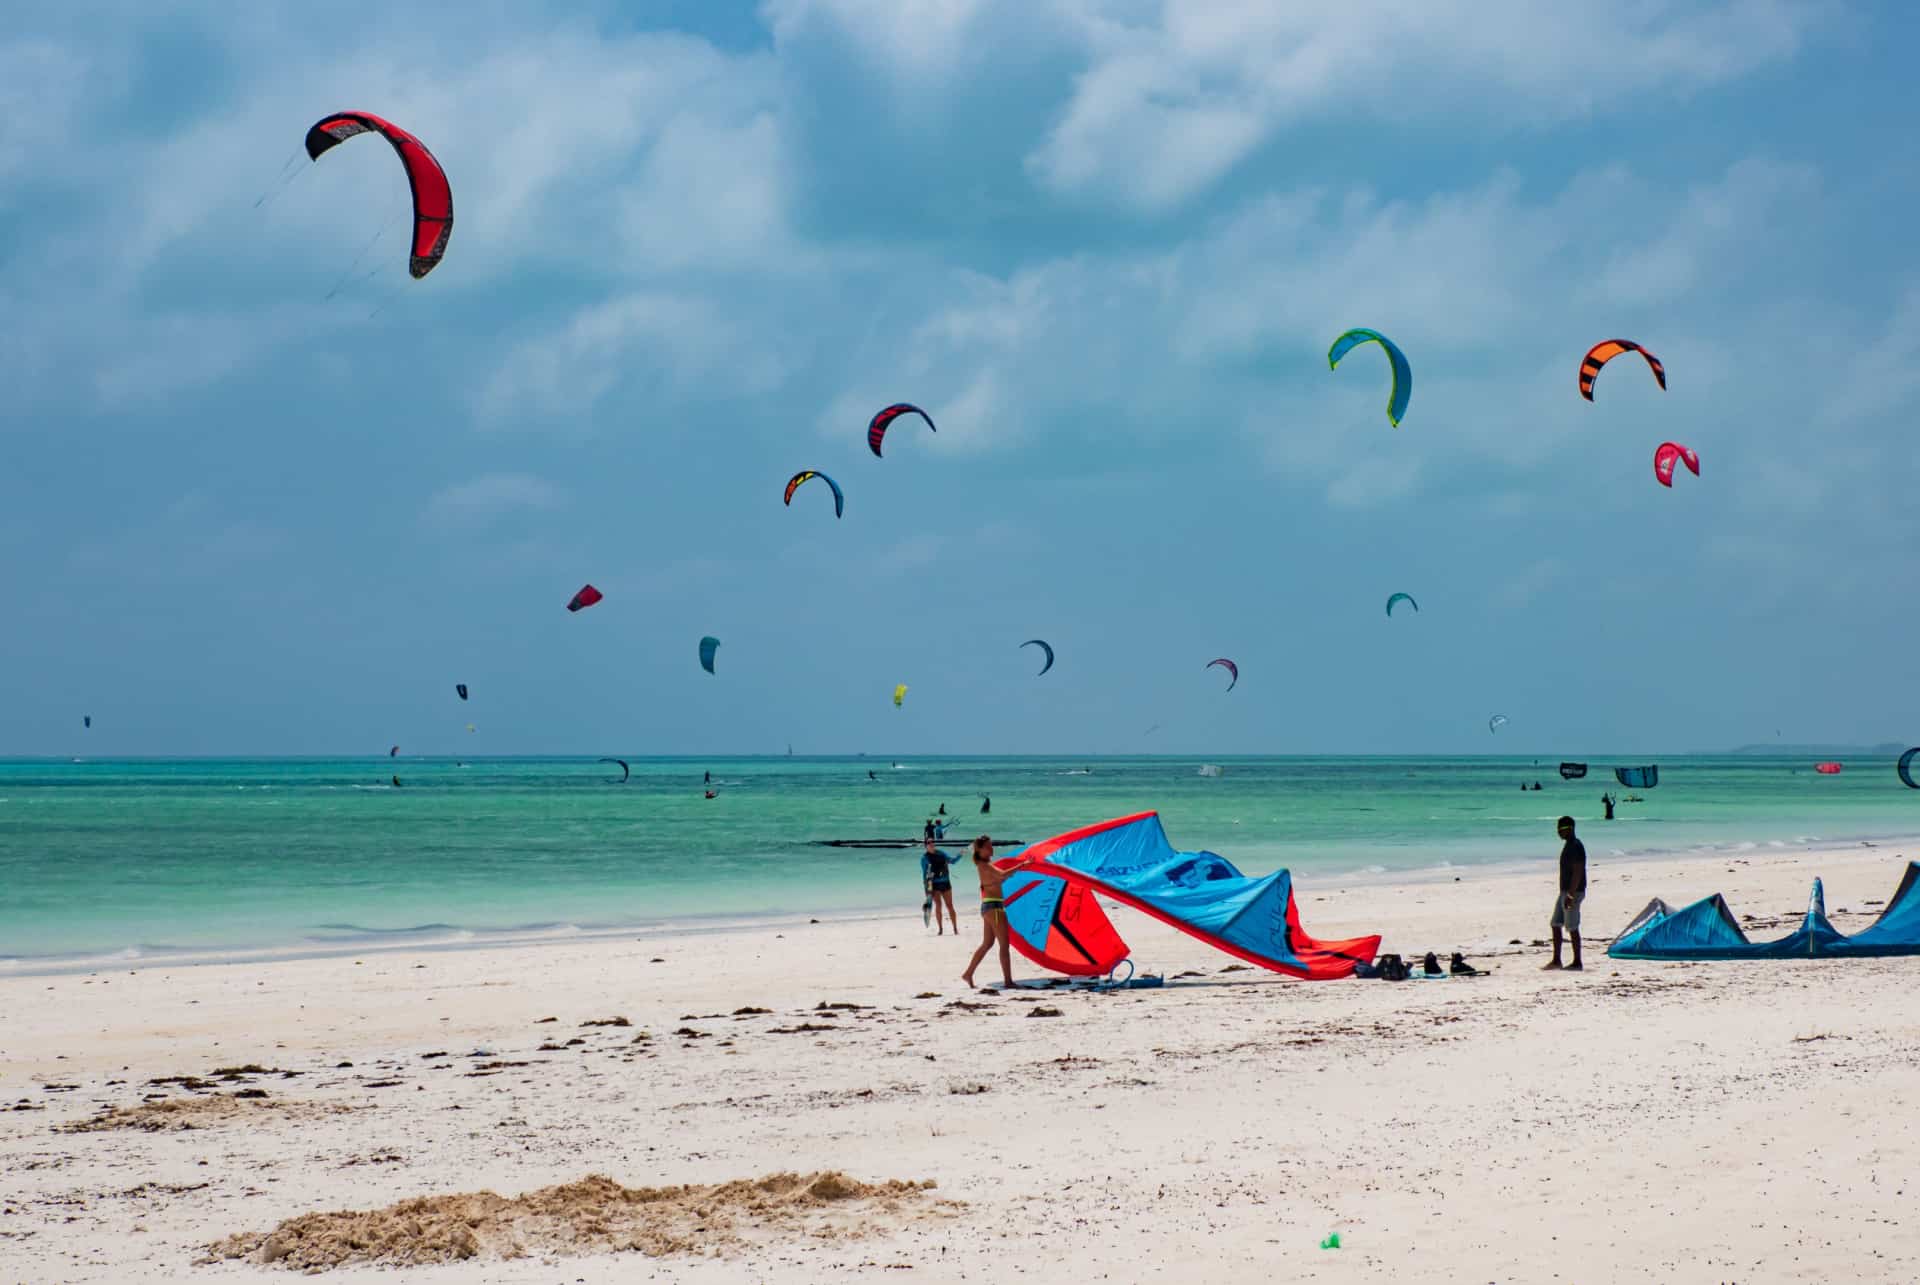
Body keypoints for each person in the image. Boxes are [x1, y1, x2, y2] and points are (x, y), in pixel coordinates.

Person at [961, 836, 1015, 989]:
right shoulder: (984, 865)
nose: (992, 849)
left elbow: (999, 880)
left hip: (989, 906)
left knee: (987, 943)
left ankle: (968, 973)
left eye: (992, 845)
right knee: (1004, 945)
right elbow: (1003, 875)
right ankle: (1008, 981)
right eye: (988, 846)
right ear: (979, 850)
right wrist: (1022, 865)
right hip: (994, 908)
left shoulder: (985, 865)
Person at [1545, 815, 1587, 971]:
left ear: (1570, 829)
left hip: (1573, 892)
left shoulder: (1575, 846)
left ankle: (1577, 962)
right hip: (1564, 891)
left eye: (1561, 829)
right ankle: (1556, 960)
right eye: (1557, 829)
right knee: (1556, 924)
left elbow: (1578, 871)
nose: (1558, 832)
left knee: (1572, 927)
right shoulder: (1568, 845)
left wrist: (1570, 894)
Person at [921, 839, 957, 935]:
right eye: (929, 843)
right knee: (938, 906)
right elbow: (925, 875)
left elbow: (952, 861)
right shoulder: (924, 858)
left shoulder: (941, 853)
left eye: (933, 842)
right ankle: (940, 929)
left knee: (950, 906)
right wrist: (927, 890)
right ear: (925, 846)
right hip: (935, 885)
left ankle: (955, 928)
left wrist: (961, 854)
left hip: (946, 882)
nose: (931, 844)